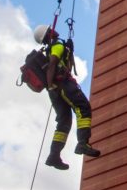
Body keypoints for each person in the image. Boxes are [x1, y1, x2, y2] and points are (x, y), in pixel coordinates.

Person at [33, 24, 101, 170]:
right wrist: (52, 84)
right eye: (50, 29)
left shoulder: (53, 47)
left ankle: (54, 155)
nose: (53, 30)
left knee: (64, 122)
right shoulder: (57, 46)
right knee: (82, 107)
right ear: (48, 34)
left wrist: (69, 50)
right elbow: (53, 64)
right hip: (62, 85)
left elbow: (61, 64)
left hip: (54, 91)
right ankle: (83, 143)